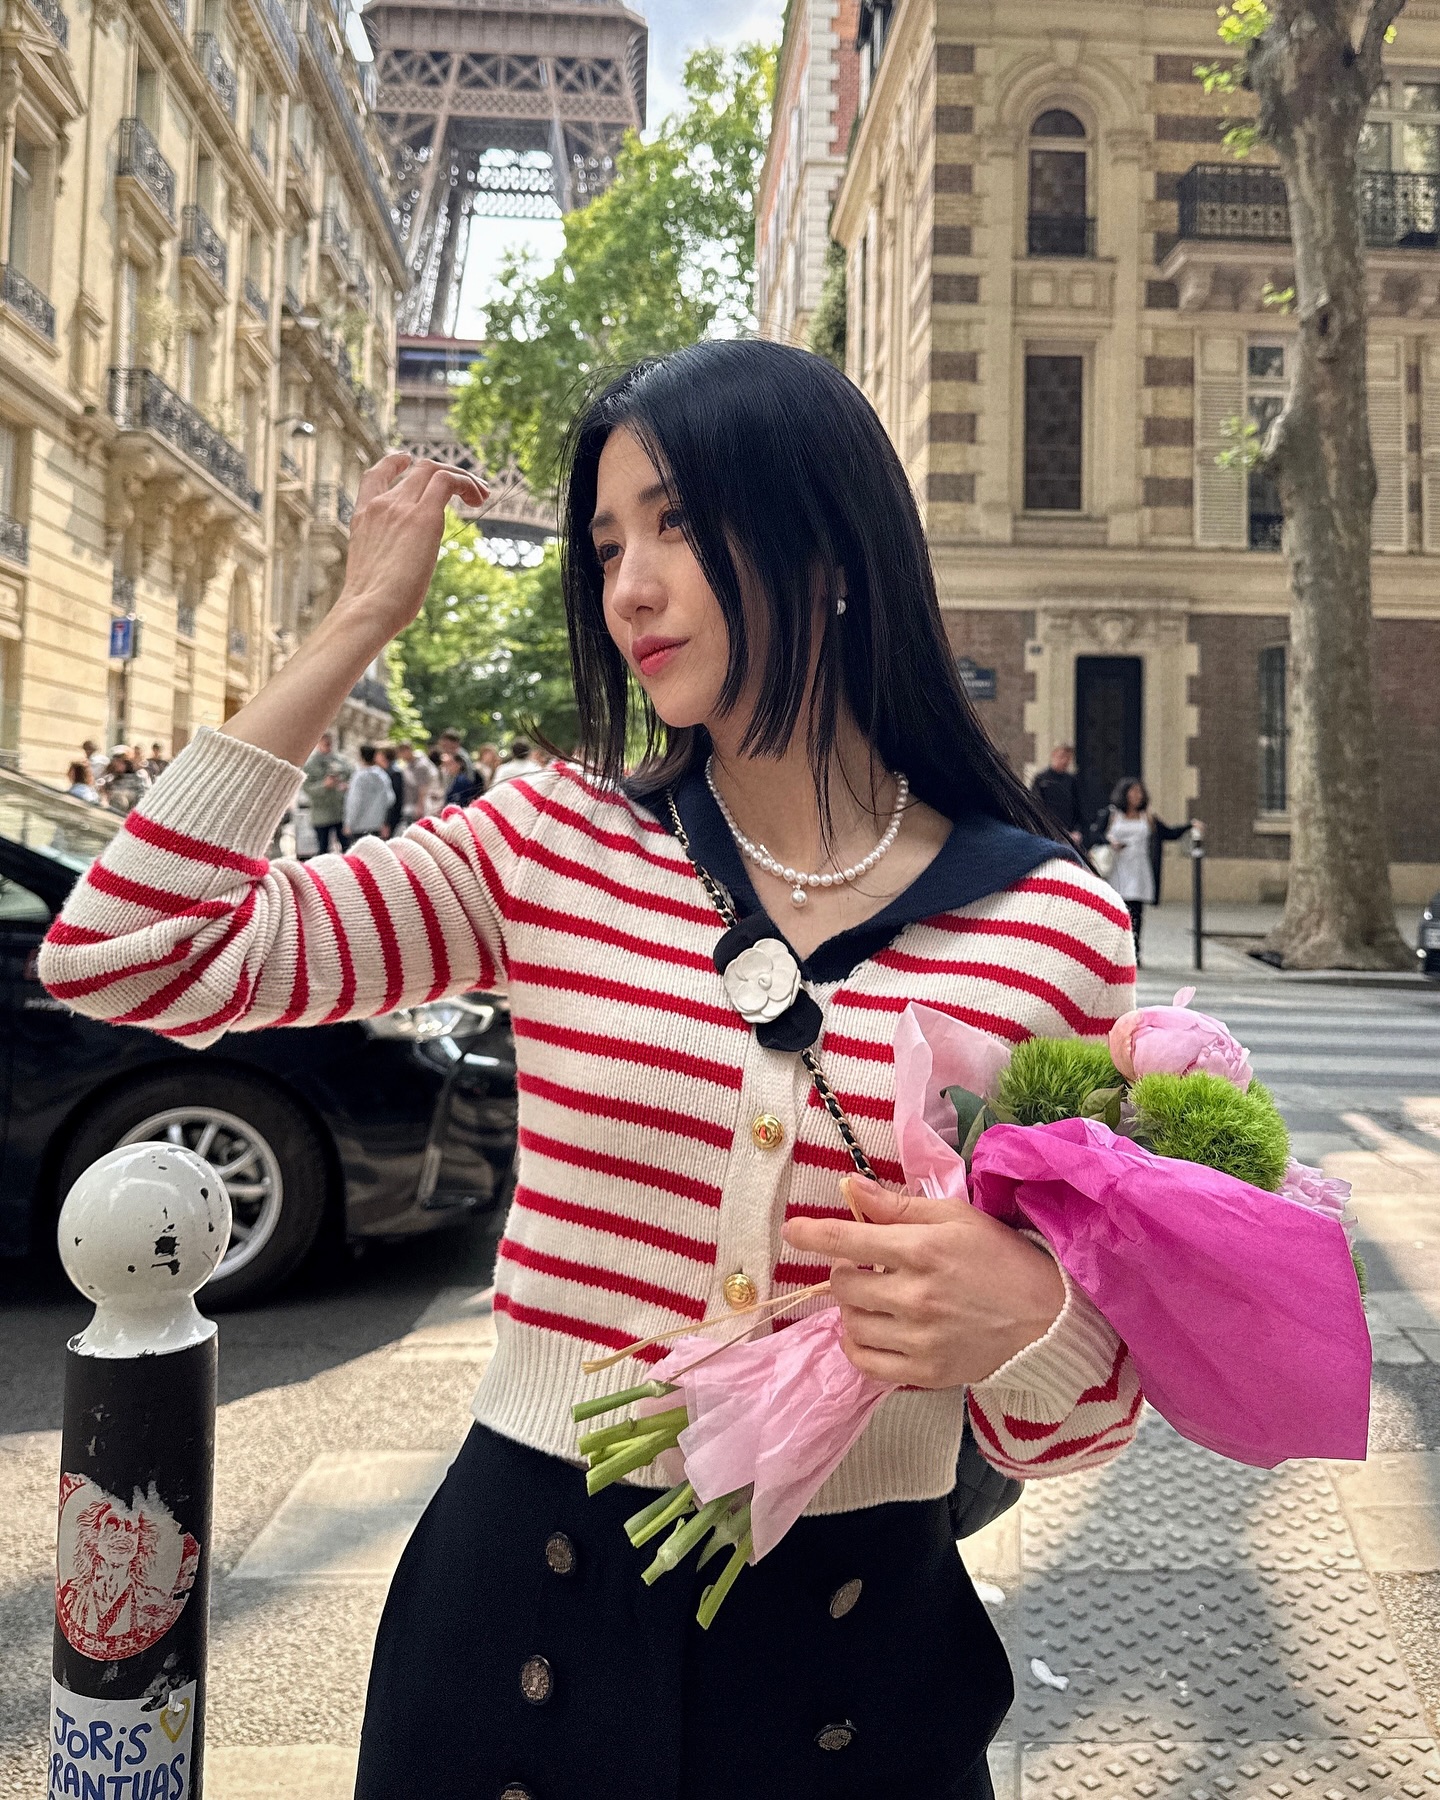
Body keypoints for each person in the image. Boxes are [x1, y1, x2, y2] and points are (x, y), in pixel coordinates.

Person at [37, 343, 1143, 1800]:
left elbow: (1083, 1418)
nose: (628, 587)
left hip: (861, 1654)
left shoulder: (1051, 926)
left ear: (829, 548)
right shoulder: (550, 845)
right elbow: (130, 955)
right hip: (524, 1611)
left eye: (677, 523)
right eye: (607, 544)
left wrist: (1027, 1321)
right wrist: (357, 620)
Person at [1097, 776, 1198, 965]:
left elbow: (1169, 833)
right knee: (1117, 911)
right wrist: (1110, 842)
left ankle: (1134, 951)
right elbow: (1094, 835)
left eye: (1140, 792)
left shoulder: (1148, 817)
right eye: (1133, 791)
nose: (1138, 795)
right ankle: (1114, 951)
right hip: (1117, 869)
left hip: (1139, 870)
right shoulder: (1112, 815)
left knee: (1136, 913)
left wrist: (1190, 825)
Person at [301, 731, 352, 854]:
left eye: (330, 744)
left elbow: (352, 777)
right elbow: (307, 788)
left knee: (346, 847)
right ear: (318, 744)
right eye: (326, 744)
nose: (328, 747)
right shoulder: (310, 765)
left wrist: (346, 785)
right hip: (321, 813)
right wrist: (324, 785)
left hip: (339, 812)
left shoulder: (341, 761)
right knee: (323, 847)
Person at [1031, 744, 1085, 846]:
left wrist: (1077, 830)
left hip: (1069, 833)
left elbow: (1078, 807)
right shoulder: (1041, 779)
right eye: (1061, 757)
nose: (1064, 761)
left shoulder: (1072, 781)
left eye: (1067, 758)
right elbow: (1035, 804)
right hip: (1047, 832)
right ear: (1053, 756)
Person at [342, 744, 394, 844]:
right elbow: (390, 799)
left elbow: (355, 802)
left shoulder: (359, 777)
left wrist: (349, 823)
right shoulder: (382, 775)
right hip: (377, 824)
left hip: (359, 826)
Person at [395, 739, 441, 822]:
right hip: (411, 801)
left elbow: (423, 787)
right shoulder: (409, 764)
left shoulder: (420, 765)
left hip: (421, 804)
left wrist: (420, 806)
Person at [96, 749, 145, 815]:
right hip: (109, 812)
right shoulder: (110, 778)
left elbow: (141, 796)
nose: (117, 764)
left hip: (126, 813)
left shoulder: (136, 778)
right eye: (115, 761)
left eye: (120, 762)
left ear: (127, 763)